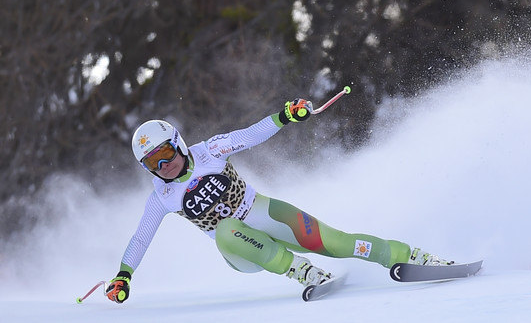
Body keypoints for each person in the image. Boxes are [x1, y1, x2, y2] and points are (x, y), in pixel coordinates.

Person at [105, 98, 453, 303]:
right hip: (240, 249)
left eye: (165, 154)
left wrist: (285, 115)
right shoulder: (162, 196)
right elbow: (141, 238)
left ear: (178, 143)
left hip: (263, 211)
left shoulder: (210, 151)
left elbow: (250, 135)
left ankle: (411, 256)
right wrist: (124, 276)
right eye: (154, 163)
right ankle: (299, 271)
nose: (165, 166)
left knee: (336, 242)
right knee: (225, 228)